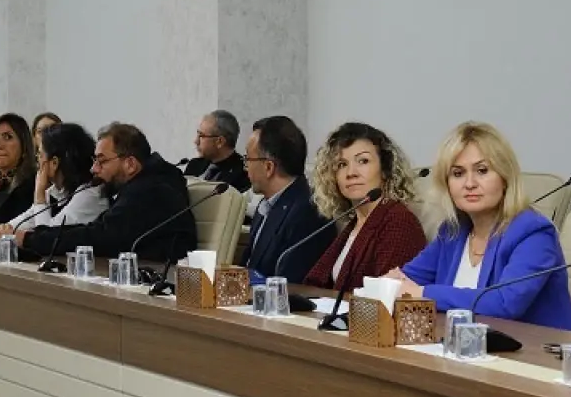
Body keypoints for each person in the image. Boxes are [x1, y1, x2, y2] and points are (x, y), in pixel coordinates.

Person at [388, 122, 571, 330]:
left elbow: (505, 303)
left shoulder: (534, 233)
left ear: (505, 178)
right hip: (464, 345)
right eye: (458, 173)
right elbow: (404, 281)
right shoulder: (452, 232)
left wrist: (424, 293)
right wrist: (386, 284)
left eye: (482, 170)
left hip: (540, 348)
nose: (470, 183)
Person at [22, 122, 196, 261]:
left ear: (130, 164)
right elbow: (97, 230)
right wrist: (36, 236)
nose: (94, 169)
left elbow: (99, 237)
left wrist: (30, 240)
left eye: (101, 161)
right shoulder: (145, 182)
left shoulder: (151, 190)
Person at [304, 123, 427, 292]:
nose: (351, 173)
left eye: (363, 161)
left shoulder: (399, 222)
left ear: (385, 170)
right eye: (341, 164)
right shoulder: (353, 224)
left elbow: (387, 295)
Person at [241, 116, 332, 284]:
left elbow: (291, 282)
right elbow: (248, 265)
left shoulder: (308, 211)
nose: (245, 168)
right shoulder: (266, 204)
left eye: (248, 159)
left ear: (268, 167)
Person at [2, 122, 107, 233]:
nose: (37, 161)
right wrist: (1, 230)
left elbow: (47, 236)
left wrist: (39, 196)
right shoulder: (57, 191)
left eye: (40, 155)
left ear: (54, 163)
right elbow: (22, 222)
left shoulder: (90, 195)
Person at [183, 109, 250, 192]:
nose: (196, 141)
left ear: (220, 142)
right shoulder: (194, 165)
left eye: (201, 136)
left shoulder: (243, 175)